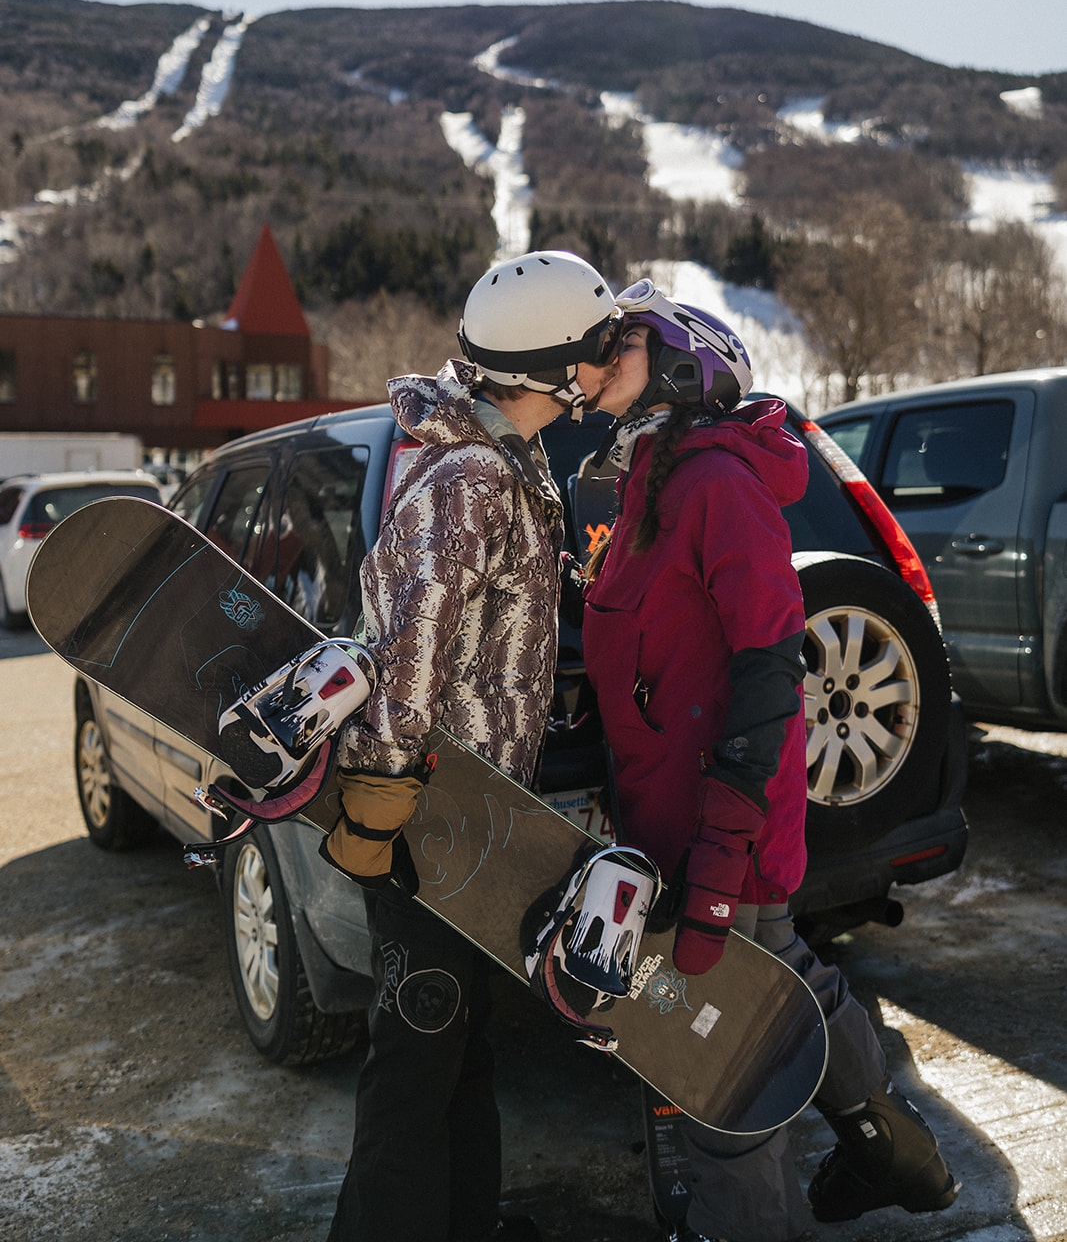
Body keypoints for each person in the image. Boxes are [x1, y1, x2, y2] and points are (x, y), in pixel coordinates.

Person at [581, 279, 960, 1242]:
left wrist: (720, 849)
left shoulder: (714, 485)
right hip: (675, 813)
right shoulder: (647, 488)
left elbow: (765, 670)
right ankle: (890, 1146)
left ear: (677, 361)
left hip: (723, 818)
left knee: (721, 1060)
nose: (590, 362)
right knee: (782, 982)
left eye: (616, 344)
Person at [320, 249, 623, 1242]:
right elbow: (408, 647)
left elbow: (490, 634)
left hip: (482, 816)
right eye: (592, 351)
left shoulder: (509, 460)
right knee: (415, 1056)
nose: (599, 370)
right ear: (550, 367)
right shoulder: (468, 478)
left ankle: (464, 1222)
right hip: (426, 816)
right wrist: (382, 794)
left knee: (461, 1040)